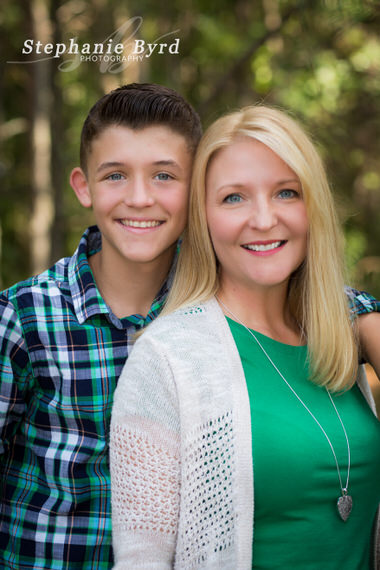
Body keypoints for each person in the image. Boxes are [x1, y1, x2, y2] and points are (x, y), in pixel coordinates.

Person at [110, 104, 380, 569]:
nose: (263, 219)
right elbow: (141, 562)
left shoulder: (342, 336)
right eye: (234, 198)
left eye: (286, 193)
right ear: (204, 218)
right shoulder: (167, 358)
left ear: (312, 207)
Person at [0, 83, 202, 569]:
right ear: (83, 186)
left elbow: (312, 296)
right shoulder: (24, 317)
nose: (139, 197)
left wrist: (363, 314)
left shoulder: (212, 309)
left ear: (197, 187)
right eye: (115, 175)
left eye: (164, 176)